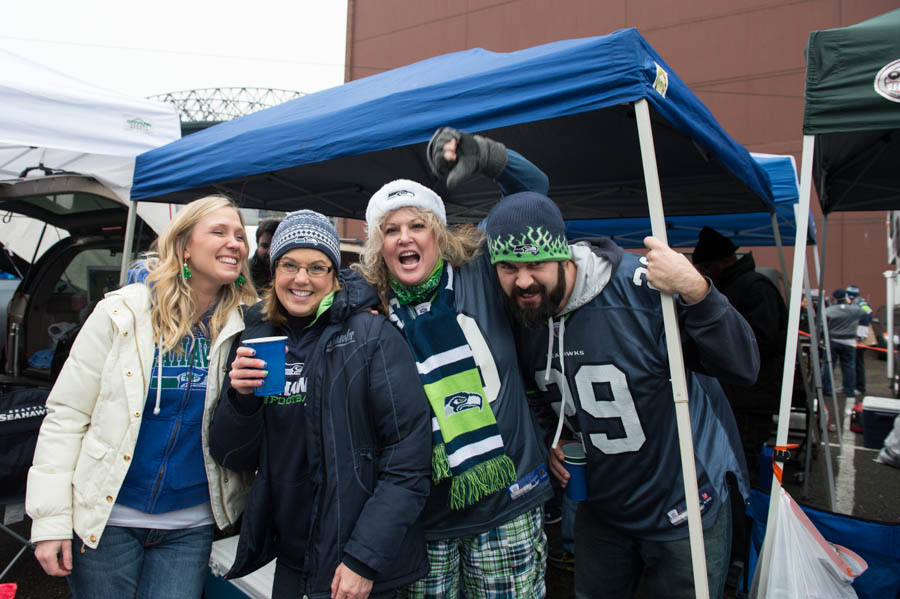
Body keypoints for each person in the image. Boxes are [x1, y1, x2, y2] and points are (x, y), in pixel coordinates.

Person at [481, 191, 757, 598]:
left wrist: (699, 292)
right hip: (602, 503)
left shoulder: (640, 291)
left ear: (563, 255)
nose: (523, 280)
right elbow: (533, 387)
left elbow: (743, 367)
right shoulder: (524, 308)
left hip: (683, 501)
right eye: (508, 267)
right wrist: (556, 435)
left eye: (535, 263)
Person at [355, 128, 553, 599]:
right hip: (423, 519)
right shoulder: (368, 307)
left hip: (507, 503)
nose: (405, 238)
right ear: (379, 246)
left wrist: (486, 156)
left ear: (439, 233)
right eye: (391, 230)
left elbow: (532, 197)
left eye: (417, 225)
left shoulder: (480, 271)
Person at [26, 195, 257, 599]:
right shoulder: (123, 313)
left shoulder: (247, 323)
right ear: (184, 245)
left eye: (239, 235)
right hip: (108, 518)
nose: (234, 243)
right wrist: (50, 521)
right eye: (219, 232)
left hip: (189, 525)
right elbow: (68, 415)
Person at [210, 210, 432, 599]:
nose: (302, 278)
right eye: (289, 265)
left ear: (333, 276)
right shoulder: (258, 338)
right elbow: (232, 455)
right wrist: (241, 399)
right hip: (291, 558)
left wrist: (363, 559)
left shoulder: (370, 337)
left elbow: (408, 459)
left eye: (317, 267)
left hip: (354, 562)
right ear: (274, 271)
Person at [692, 226, 788, 487]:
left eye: (707, 267)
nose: (703, 273)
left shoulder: (755, 288)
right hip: (731, 393)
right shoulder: (730, 286)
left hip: (750, 398)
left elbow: (764, 341)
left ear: (725, 261)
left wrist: (716, 343)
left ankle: (745, 508)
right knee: (723, 459)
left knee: (742, 460)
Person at [822, 288, 868, 399]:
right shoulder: (854, 310)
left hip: (833, 340)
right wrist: (851, 303)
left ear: (834, 298)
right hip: (849, 342)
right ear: (846, 297)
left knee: (829, 365)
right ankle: (849, 390)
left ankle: (827, 389)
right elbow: (865, 312)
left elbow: (822, 324)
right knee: (849, 366)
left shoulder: (829, 310)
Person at [845, 284, 873, 396]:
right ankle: (849, 385)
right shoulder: (853, 304)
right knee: (851, 363)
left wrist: (860, 336)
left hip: (858, 338)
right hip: (852, 337)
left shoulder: (861, 304)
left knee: (857, 363)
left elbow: (867, 315)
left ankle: (860, 387)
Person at [249, 217, 280, 290]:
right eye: (264, 246)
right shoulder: (244, 271)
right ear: (257, 245)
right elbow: (238, 284)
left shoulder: (290, 270)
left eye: (274, 246)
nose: (269, 252)